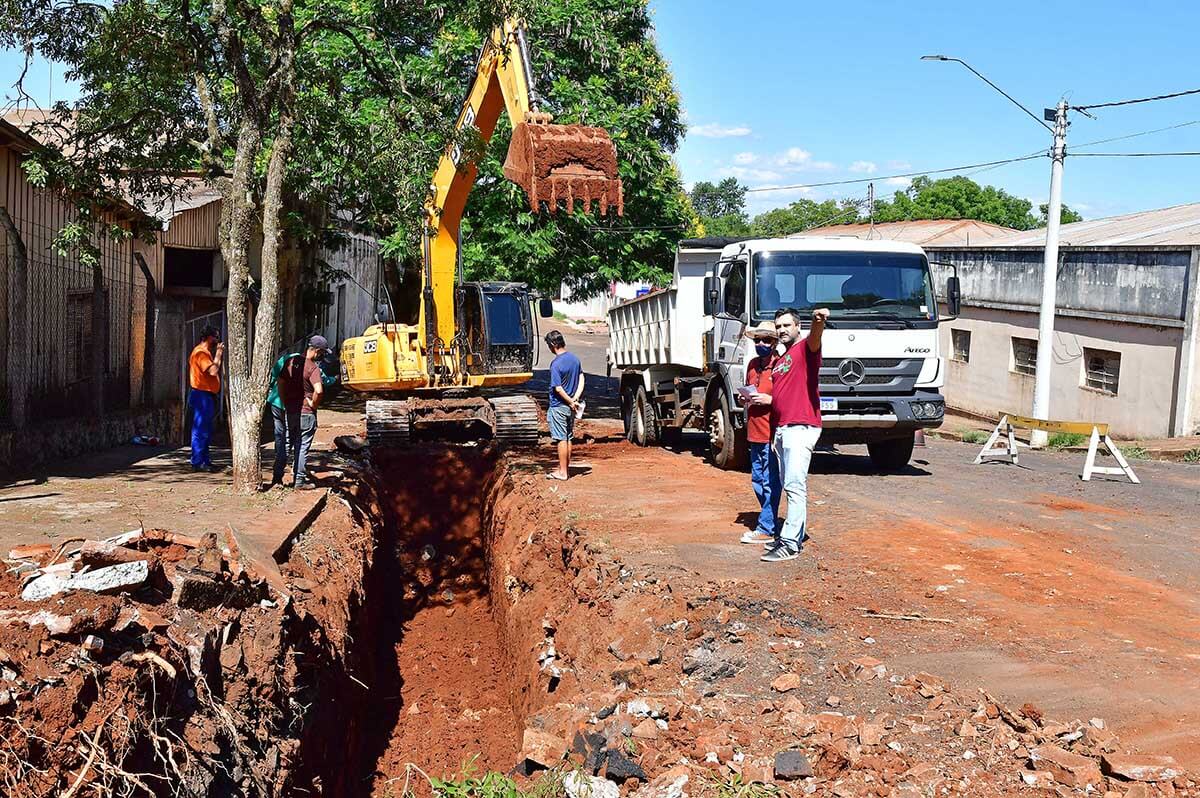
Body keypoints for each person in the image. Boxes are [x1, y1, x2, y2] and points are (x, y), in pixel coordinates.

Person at [761, 306, 828, 563]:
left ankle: (790, 543)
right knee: (788, 484)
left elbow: (815, 338)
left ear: (797, 327)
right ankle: (790, 535)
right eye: (778, 326)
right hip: (782, 429)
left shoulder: (804, 350)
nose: (782, 330)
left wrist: (817, 321)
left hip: (800, 426)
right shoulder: (782, 358)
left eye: (787, 325)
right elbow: (781, 395)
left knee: (794, 485)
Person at [739, 321, 783, 546]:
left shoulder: (781, 366)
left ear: (775, 342)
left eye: (766, 340)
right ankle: (770, 519)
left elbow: (788, 398)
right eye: (758, 340)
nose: (761, 344)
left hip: (771, 431)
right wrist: (745, 398)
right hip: (754, 430)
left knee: (769, 480)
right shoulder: (753, 365)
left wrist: (770, 400)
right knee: (758, 478)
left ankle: (766, 526)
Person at [280, 335, 328, 490]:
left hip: (291, 410)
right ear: (317, 351)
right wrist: (313, 404)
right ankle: (299, 481)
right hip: (306, 413)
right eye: (322, 353)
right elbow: (319, 390)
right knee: (302, 447)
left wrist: (284, 401)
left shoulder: (290, 362)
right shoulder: (312, 368)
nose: (322, 356)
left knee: (286, 443)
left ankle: (277, 476)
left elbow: (280, 382)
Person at [545, 330, 584, 481]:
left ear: (553, 345)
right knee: (568, 437)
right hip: (571, 407)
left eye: (549, 345)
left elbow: (558, 388)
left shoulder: (556, 364)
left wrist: (569, 401)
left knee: (561, 438)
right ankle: (564, 468)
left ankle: (562, 472)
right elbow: (581, 377)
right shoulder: (574, 359)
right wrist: (575, 399)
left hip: (559, 406)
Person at [187, 325, 224, 472]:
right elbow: (213, 371)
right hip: (201, 395)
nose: (217, 340)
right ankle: (197, 462)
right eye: (215, 337)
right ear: (209, 337)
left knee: (207, 430)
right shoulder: (201, 353)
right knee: (200, 429)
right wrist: (219, 354)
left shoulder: (206, 353)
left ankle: (205, 460)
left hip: (207, 395)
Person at [266, 348, 303, 488]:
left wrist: (272, 387)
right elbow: (321, 380)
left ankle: (278, 457)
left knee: (279, 433)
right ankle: (280, 469)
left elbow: (273, 375)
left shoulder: (285, 359)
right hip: (289, 405)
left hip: (276, 402)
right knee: (289, 438)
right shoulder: (306, 364)